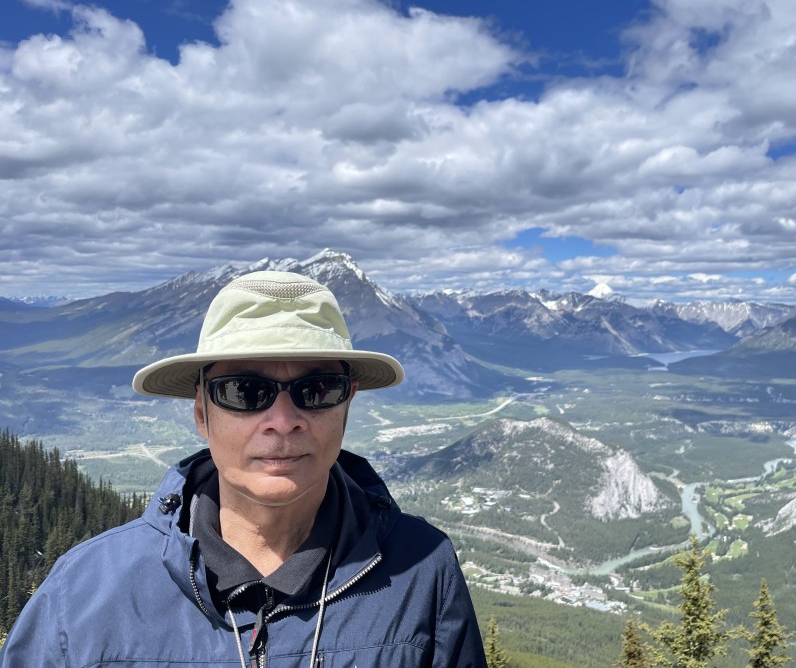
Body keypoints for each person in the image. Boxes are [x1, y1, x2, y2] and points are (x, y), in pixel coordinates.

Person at [0, 270, 487, 667]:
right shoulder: (84, 593)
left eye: (316, 390)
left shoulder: (424, 572)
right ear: (200, 412)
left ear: (347, 404)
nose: (282, 422)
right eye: (243, 392)